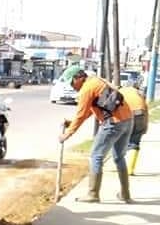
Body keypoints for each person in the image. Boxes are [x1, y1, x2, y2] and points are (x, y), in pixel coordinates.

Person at [59, 64, 134, 203]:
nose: (71, 86)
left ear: (79, 78)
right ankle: (125, 194)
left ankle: (93, 194)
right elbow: (90, 110)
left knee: (96, 156)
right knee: (119, 157)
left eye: (71, 82)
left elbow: (81, 115)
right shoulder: (97, 81)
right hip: (127, 120)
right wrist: (72, 123)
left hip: (113, 123)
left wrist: (67, 134)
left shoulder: (86, 89)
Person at [120, 83, 149, 175]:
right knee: (135, 142)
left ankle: (120, 166)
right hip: (140, 114)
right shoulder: (139, 94)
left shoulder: (120, 91)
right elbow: (146, 111)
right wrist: (145, 127)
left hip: (126, 114)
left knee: (120, 140)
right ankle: (130, 169)